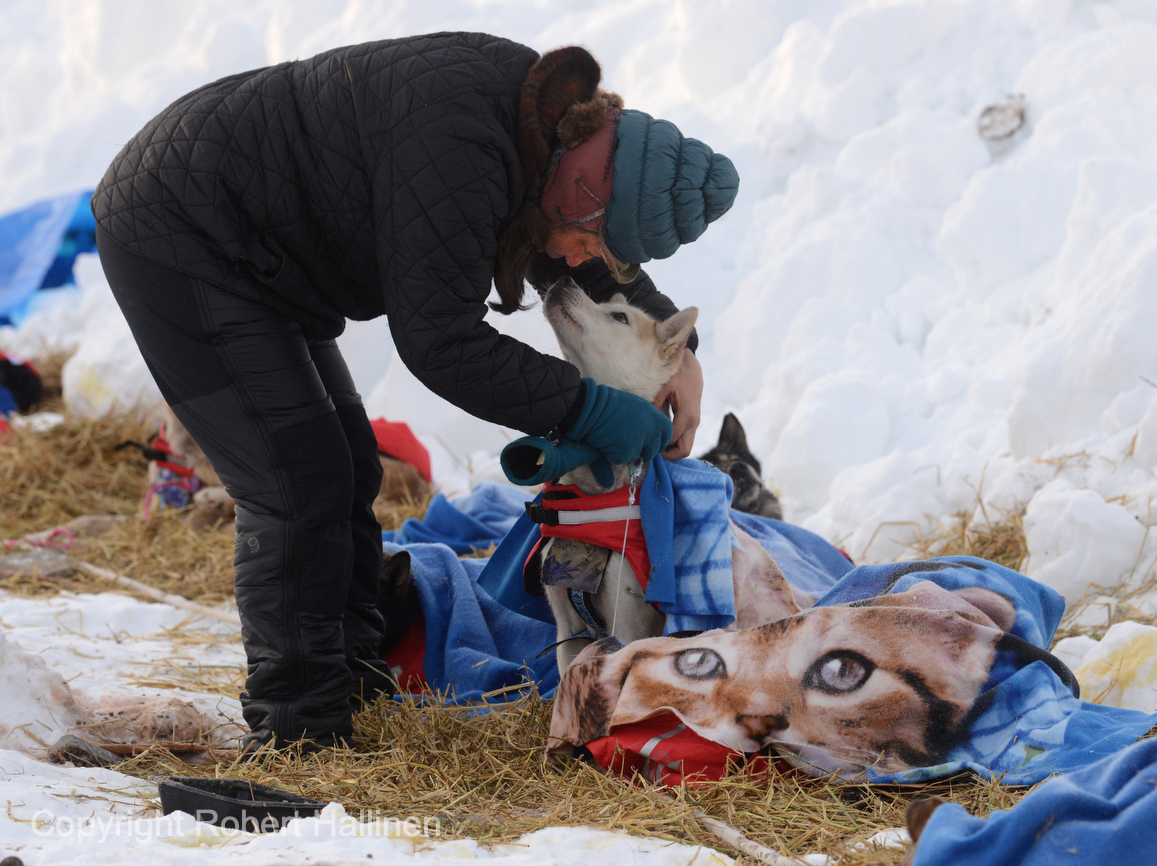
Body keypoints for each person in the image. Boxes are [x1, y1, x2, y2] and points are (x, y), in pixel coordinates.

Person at [91, 33, 738, 753]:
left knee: (347, 467)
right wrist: (588, 408)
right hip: (184, 233)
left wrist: (682, 356)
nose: (583, 263)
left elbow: (580, 245)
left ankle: (355, 675)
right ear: (586, 186)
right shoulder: (466, 146)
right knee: (295, 480)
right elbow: (441, 342)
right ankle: (299, 730)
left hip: (260, 253)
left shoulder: (549, 130)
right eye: (594, 242)